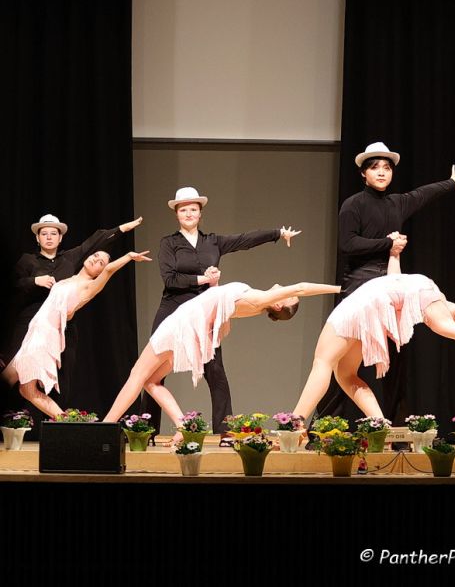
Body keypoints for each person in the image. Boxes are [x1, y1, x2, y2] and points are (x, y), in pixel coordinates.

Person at [316, 141, 455, 421]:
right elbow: (347, 244)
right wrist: (386, 244)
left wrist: (451, 183)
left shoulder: (396, 203)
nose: (381, 172)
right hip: (360, 285)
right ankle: (325, 425)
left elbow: (421, 195)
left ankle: (396, 428)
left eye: (386, 168)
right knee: (342, 360)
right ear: (363, 173)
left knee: (396, 359)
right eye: (375, 168)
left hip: (390, 287)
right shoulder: (354, 204)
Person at [291, 249, 455, 423]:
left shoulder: (439, 320)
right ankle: (379, 424)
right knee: (345, 374)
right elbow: (395, 282)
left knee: (325, 363)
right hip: (366, 304)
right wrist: (393, 254)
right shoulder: (436, 295)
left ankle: (296, 422)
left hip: (361, 306)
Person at [142, 186, 301, 443]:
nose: (189, 213)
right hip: (172, 310)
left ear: (200, 214)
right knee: (152, 372)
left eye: (193, 209)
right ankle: (144, 431)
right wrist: (203, 278)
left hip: (205, 313)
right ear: (177, 214)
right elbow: (170, 279)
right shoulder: (169, 243)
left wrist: (278, 233)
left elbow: (244, 240)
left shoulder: (212, 241)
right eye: (184, 209)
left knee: (216, 373)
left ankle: (225, 433)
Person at [104, 280, 342, 441]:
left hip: (183, 323)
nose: (284, 288)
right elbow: (220, 309)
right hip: (191, 324)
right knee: (151, 381)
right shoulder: (255, 301)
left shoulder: (261, 300)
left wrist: (339, 289)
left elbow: (300, 287)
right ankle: (182, 425)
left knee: (138, 374)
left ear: (279, 304)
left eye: (287, 296)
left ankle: (104, 428)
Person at [5, 214, 144, 406]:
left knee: (50, 381)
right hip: (32, 325)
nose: (48, 237)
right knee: (21, 384)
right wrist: (34, 281)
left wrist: (123, 229)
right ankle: (28, 423)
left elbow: (96, 244)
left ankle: (60, 425)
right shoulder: (27, 260)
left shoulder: (71, 259)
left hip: (58, 329)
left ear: (60, 237)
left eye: (53, 233)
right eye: (44, 233)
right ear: (37, 238)